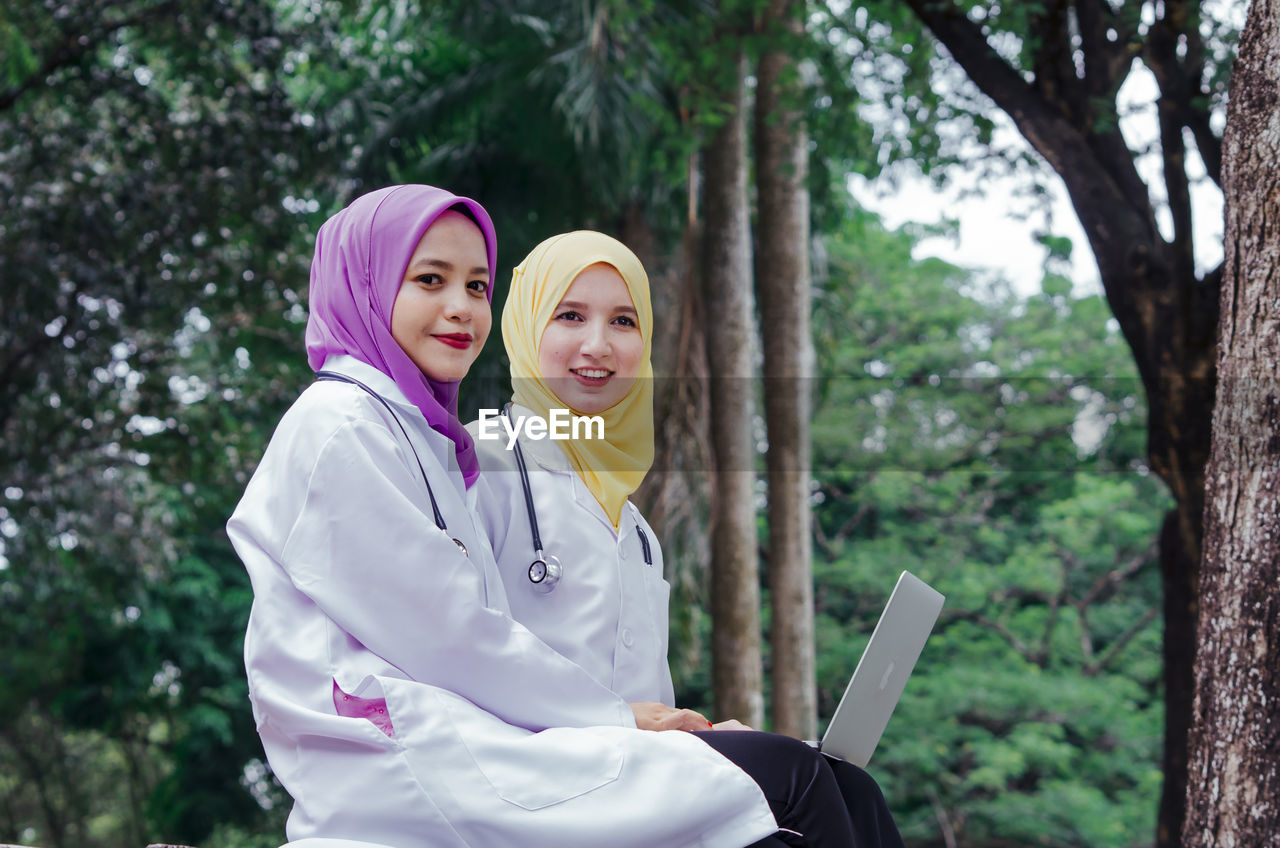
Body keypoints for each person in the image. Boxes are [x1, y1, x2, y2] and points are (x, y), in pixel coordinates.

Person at [470, 230, 907, 848]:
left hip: (634, 782)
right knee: (802, 784)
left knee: (852, 788)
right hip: (537, 781)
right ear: (522, 328)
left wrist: (700, 733)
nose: (598, 345)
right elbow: (459, 655)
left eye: (623, 321)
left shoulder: (635, 527)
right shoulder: (475, 464)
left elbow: (645, 697)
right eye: (569, 315)